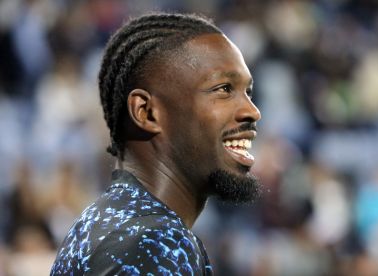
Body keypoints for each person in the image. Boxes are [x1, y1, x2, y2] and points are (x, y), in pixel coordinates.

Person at [51, 12, 261, 275]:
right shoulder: (153, 243)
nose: (252, 111)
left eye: (248, 92)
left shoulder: (106, 222)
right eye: (224, 89)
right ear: (147, 112)